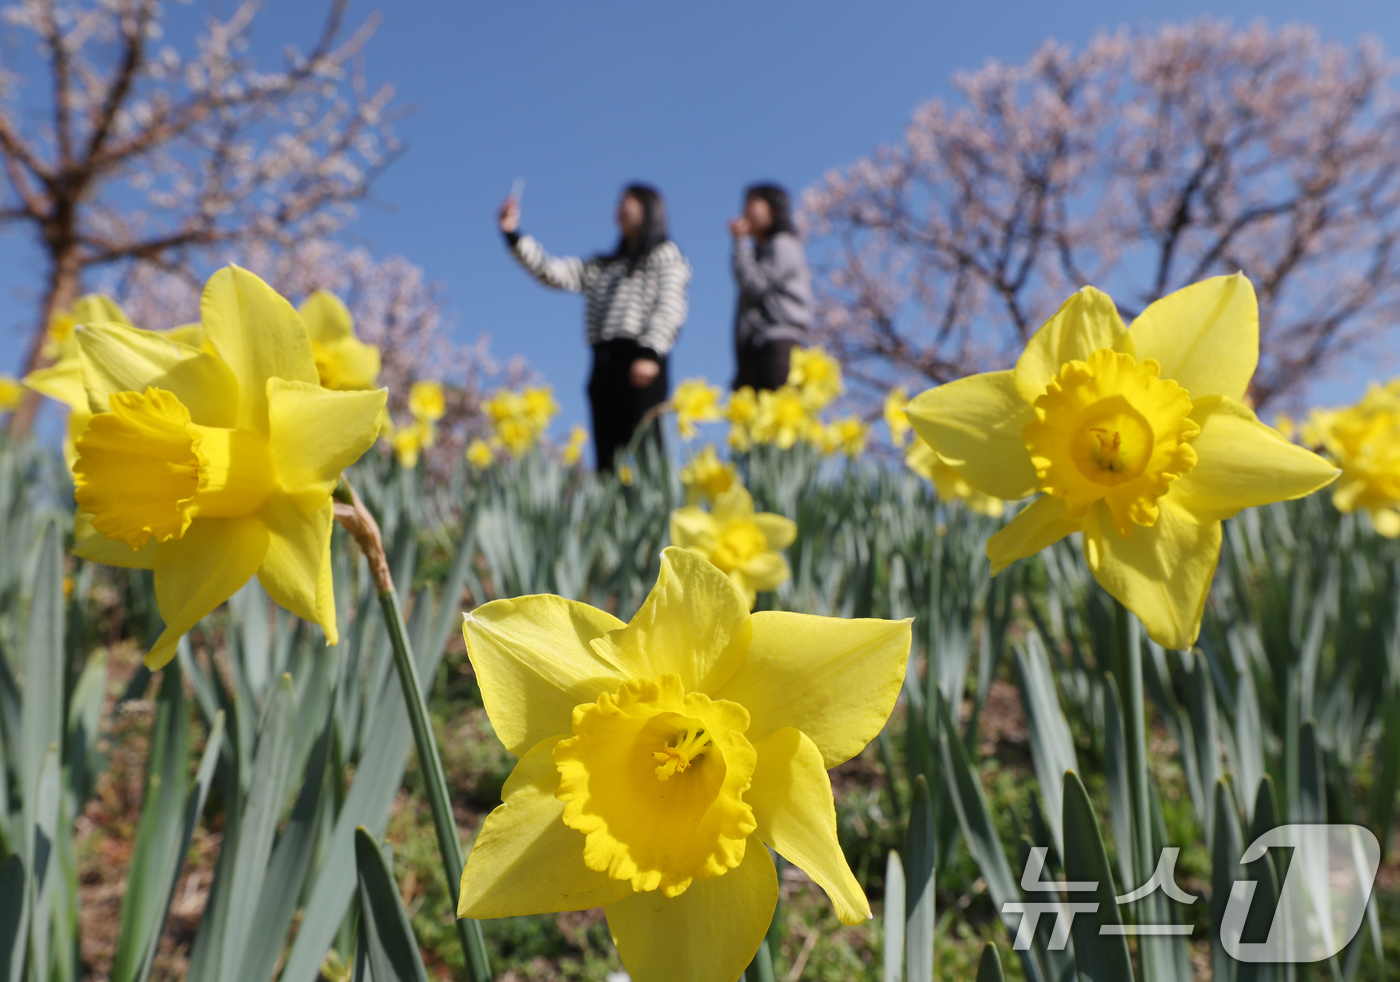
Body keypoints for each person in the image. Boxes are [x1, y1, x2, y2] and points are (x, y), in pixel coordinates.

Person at [499, 184, 691, 472]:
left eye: (629, 203)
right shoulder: (601, 266)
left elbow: (670, 305)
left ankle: (655, 513)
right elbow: (552, 272)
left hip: (641, 357)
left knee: (647, 453)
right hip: (603, 363)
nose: (620, 209)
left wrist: (651, 352)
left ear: (649, 209)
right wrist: (514, 234)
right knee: (606, 460)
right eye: (619, 204)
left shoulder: (664, 254)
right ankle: (613, 515)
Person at [729, 183, 813, 392]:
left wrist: (740, 243)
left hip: (777, 347)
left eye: (753, 204)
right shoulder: (762, 251)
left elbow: (753, 286)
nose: (745, 211)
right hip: (757, 349)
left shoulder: (782, 244)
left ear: (774, 210)